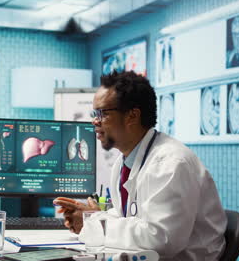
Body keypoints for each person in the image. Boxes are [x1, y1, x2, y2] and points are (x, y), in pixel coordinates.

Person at [54, 71, 227, 260]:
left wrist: (92, 225)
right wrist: (92, 217)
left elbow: (160, 239)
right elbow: (128, 216)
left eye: (102, 113)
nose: (94, 121)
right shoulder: (124, 162)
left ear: (132, 116)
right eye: (94, 114)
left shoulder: (171, 164)